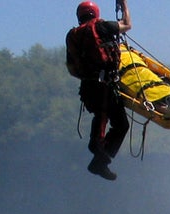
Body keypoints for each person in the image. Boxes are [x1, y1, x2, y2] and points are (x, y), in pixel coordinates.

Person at [66, 0, 131, 181]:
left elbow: (71, 68)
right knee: (120, 124)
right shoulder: (102, 27)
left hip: (87, 87)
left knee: (101, 115)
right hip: (105, 85)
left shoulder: (72, 36)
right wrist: (124, 5)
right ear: (95, 13)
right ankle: (98, 150)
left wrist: (88, 76)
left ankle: (99, 161)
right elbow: (127, 25)